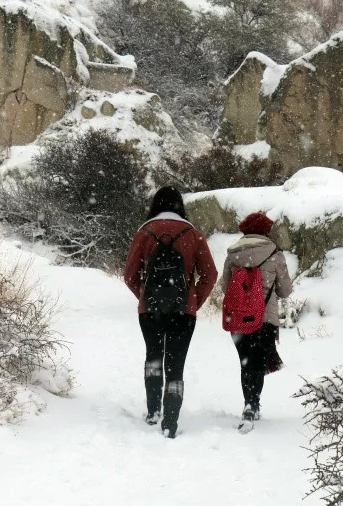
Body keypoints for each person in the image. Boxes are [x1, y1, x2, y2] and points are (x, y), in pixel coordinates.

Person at [124, 186, 217, 438]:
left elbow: (130, 276)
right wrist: (192, 301)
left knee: (153, 357)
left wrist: (145, 298)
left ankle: (153, 411)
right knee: (176, 367)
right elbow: (210, 275)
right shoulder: (193, 234)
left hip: (150, 310)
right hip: (183, 311)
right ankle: (170, 422)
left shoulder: (144, 232)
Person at [221, 212, 292, 430]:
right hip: (264, 318)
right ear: (266, 230)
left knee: (246, 361)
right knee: (258, 363)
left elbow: (226, 288)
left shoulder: (233, 253)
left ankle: (249, 403)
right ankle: (253, 403)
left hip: (239, 317)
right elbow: (285, 290)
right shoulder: (274, 253)